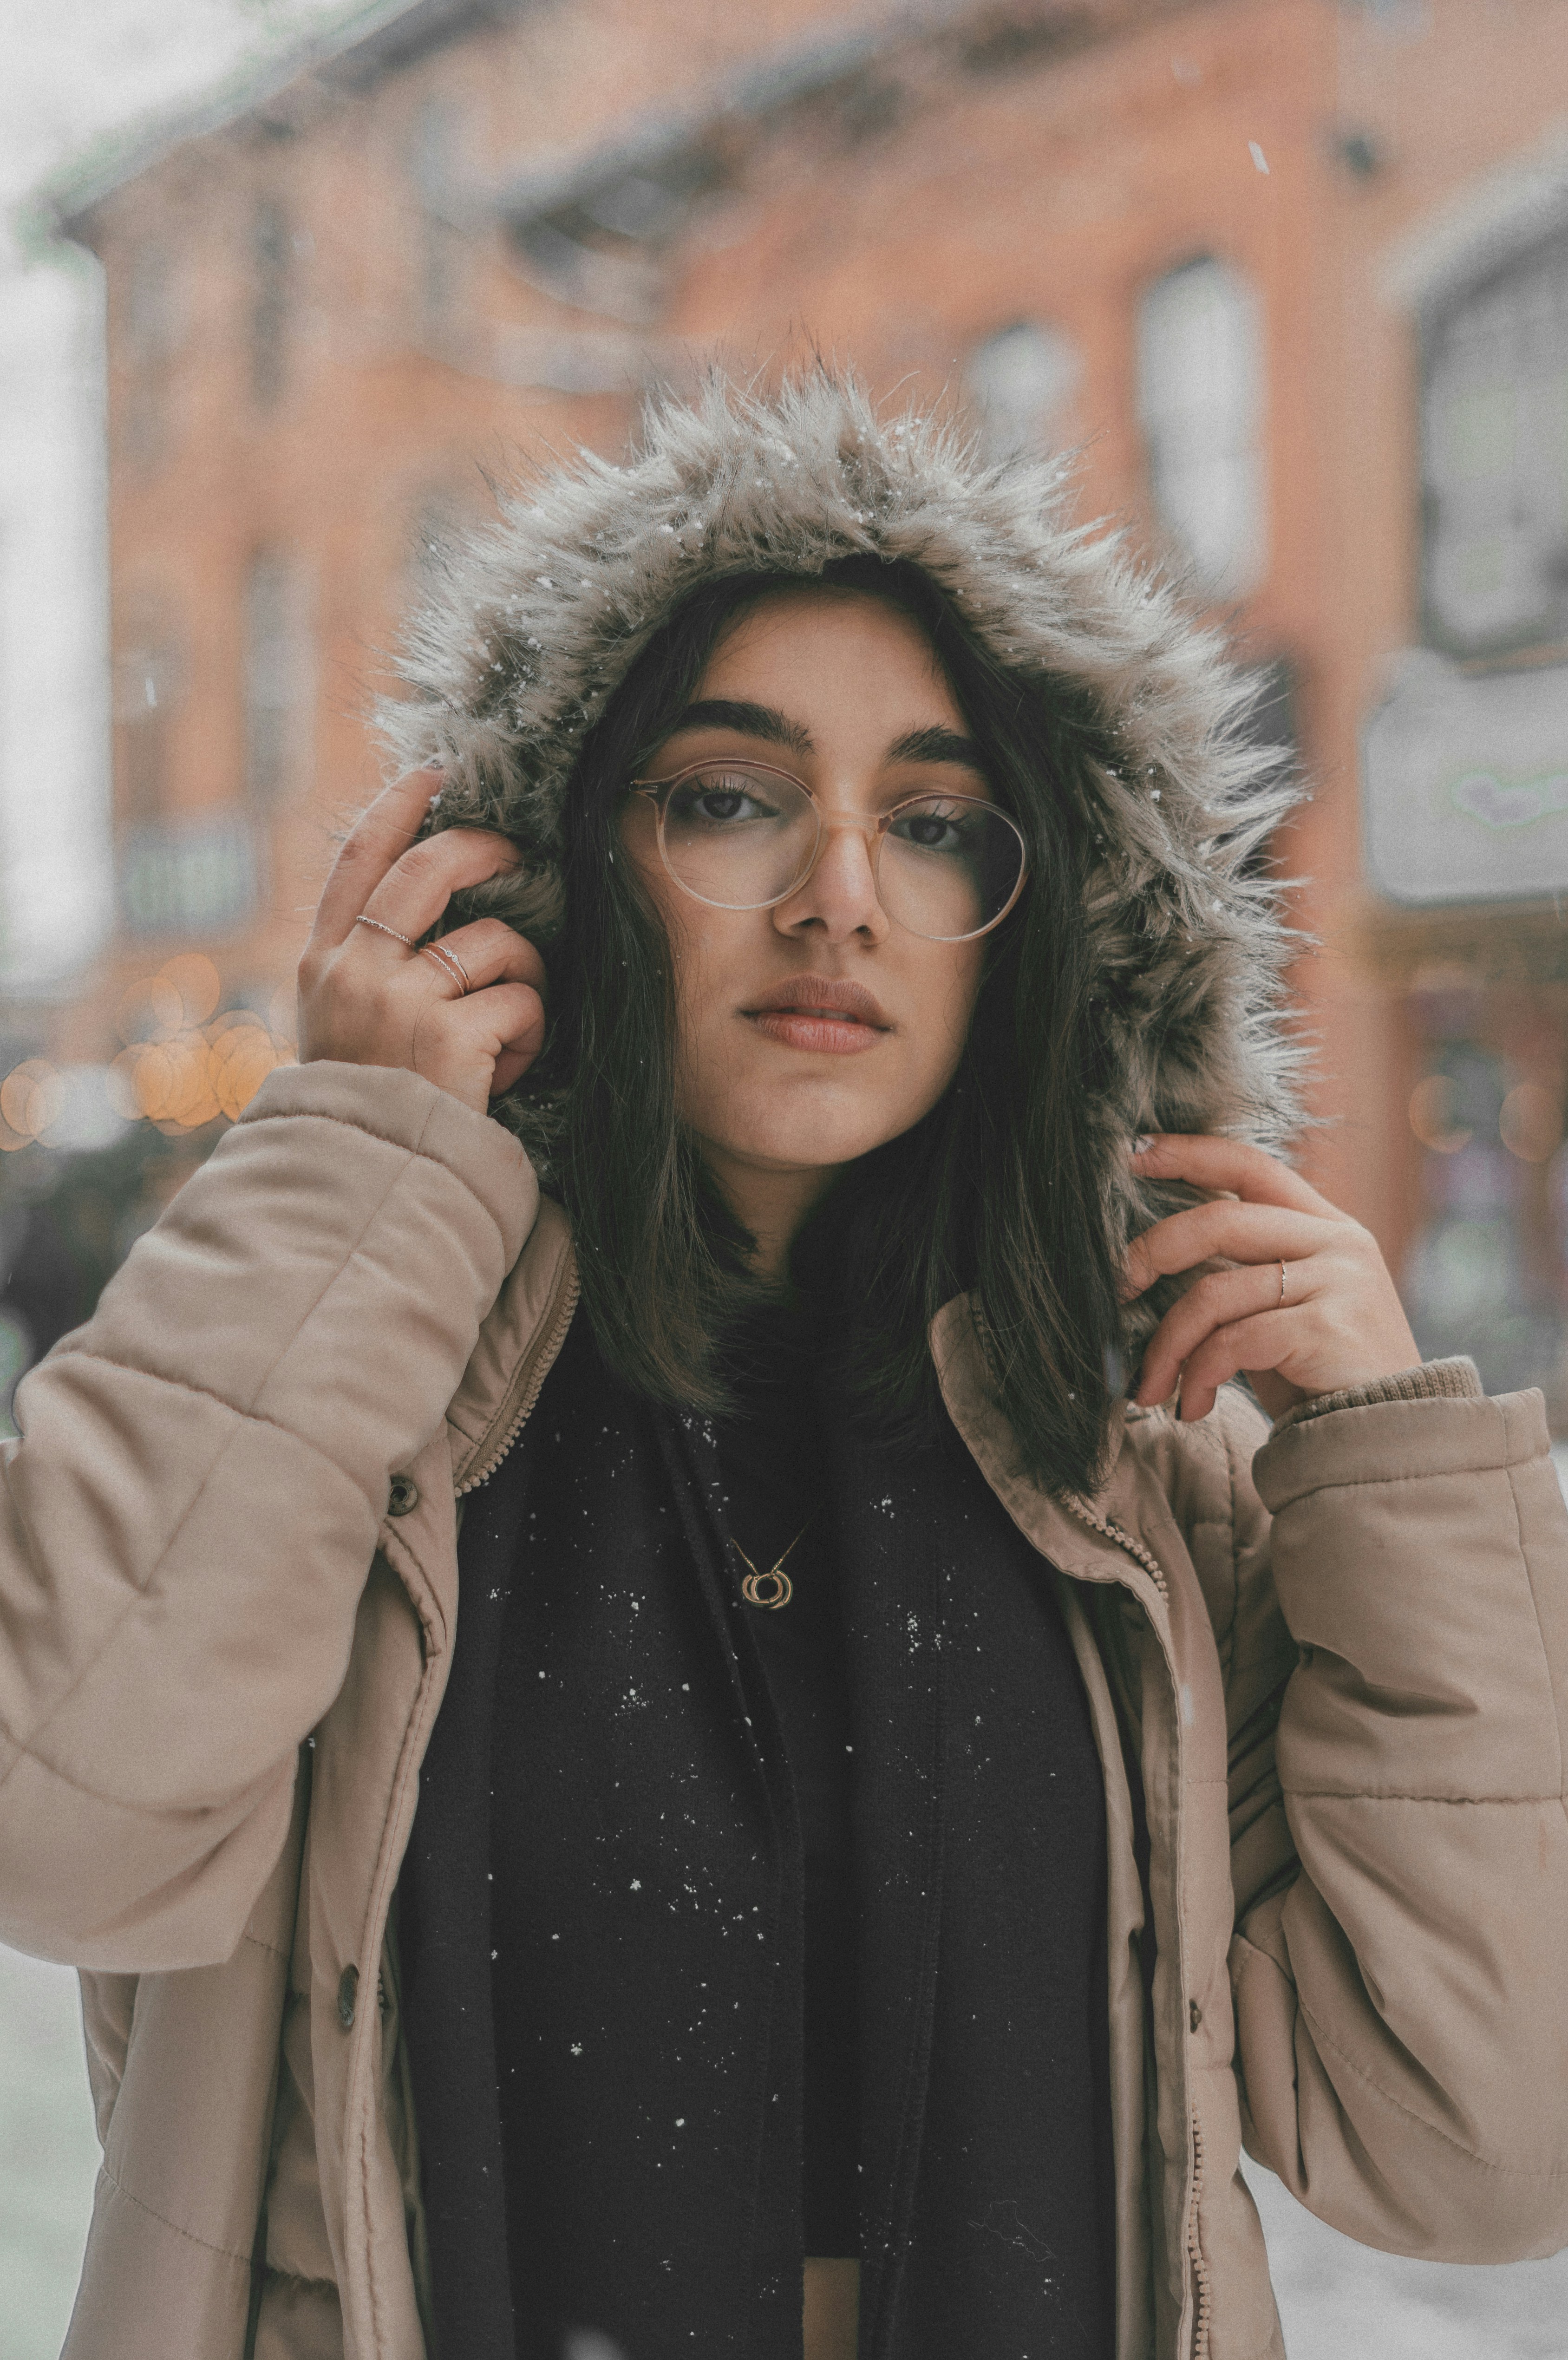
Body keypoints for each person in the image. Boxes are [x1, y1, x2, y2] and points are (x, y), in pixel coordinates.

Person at [2, 373, 1565, 2360]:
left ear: (1034, 931)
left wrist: (1382, 1465)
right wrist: (349, 1158)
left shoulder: (1127, 1498)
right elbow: (59, 1815)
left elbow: (1482, 2146)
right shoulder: (360, 1406)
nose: (839, 890)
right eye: (728, 793)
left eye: (931, 823)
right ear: (545, 867)